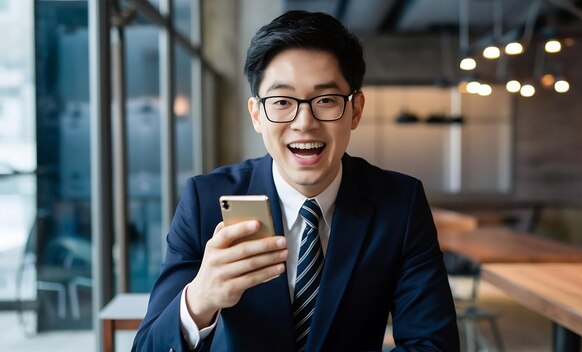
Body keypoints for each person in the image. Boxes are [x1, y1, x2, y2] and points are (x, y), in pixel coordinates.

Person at [132, 10, 459, 352]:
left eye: (326, 100)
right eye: (282, 102)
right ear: (257, 114)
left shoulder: (400, 203)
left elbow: (433, 344)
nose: (304, 122)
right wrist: (201, 298)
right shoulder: (205, 201)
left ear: (356, 110)